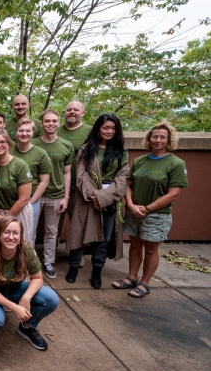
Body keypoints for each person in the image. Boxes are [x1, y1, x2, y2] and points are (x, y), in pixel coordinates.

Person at [113, 121, 188, 298]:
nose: (158, 140)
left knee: (151, 249)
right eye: (155, 136)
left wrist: (147, 208)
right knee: (135, 244)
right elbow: (128, 185)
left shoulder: (176, 163)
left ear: (169, 139)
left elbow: (173, 193)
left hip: (156, 215)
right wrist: (130, 204)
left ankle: (144, 283)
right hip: (134, 211)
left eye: (163, 137)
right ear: (149, 139)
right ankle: (132, 277)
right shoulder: (140, 161)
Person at [0, 216, 59, 350]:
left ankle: (27, 327)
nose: (11, 237)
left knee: (52, 298)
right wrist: (14, 307)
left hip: (15, 288)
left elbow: (37, 278)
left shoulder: (27, 250)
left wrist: (26, 297)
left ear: (21, 235)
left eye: (15, 233)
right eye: (6, 232)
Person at [66, 115, 129, 288]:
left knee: (104, 237)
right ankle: (73, 268)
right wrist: (94, 196)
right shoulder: (86, 149)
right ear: (98, 129)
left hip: (111, 196)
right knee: (79, 233)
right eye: (105, 127)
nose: (109, 131)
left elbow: (123, 176)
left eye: (113, 128)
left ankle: (97, 271)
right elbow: (80, 174)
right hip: (86, 196)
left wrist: (104, 198)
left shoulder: (121, 150)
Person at [32, 110, 74, 279]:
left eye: (54, 121)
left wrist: (66, 197)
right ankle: (30, 260)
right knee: (30, 229)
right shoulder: (33, 143)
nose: (50, 124)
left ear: (58, 123)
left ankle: (48, 261)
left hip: (56, 194)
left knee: (52, 230)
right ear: (41, 124)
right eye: (47, 121)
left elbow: (67, 172)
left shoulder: (66, 145)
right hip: (34, 194)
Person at [0, 129, 34, 246]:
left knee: (18, 247)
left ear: (9, 144)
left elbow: (24, 198)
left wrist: (6, 219)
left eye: (3, 142)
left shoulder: (20, 165)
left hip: (17, 213)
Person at [57, 100, 93, 259]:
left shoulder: (90, 132)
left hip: (78, 186)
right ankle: (52, 252)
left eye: (76, 110)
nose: (72, 112)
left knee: (77, 221)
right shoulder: (55, 130)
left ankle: (77, 255)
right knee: (55, 222)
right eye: (69, 109)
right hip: (56, 185)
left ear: (83, 113)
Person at [11, 118, 52, 243]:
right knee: (10, 232)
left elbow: (44, 181)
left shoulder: (40, 153)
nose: (24, 134)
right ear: (16, 131)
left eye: (28, 131)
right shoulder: (9, 150)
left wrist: (31, 202)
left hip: (31, 200)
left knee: (28, 233)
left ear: (33, 132)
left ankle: (26, 261)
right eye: (21, 130)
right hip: (10, 199)